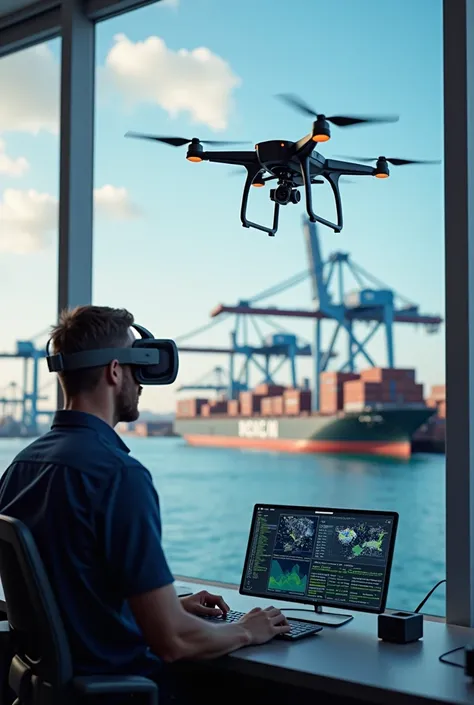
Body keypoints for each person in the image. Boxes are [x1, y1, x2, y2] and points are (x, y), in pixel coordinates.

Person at [0, 305, 290, 704]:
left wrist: (168, 605)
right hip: (125, 689)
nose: (142, 386)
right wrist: (248, 630)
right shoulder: (119, 475)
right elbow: (173, 642)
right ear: (114, 372)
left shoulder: (21, 466)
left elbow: (69, 590)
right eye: (138, 371)